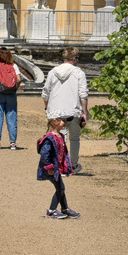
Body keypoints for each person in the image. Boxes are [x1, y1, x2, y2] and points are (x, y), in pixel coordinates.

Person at [42, 46, 89, 174]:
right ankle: (72, 165)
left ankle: (58, 165)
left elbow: (45, 93)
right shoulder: (79, 73)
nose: (78, 61)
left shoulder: (53, 72)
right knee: (74, 138)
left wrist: (48, 107)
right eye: (77, 58)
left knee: (58, 138)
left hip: (55, 110)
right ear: (73, 59)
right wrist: (84, 112)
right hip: (73, 110)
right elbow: (83, 94)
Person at [36, 117, 78, 219]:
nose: (66, 123)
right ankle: (51, 211)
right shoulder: (50, 138)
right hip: (50, 169)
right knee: (60, 188)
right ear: (55, 122)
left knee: (60, 187)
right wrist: (50, 167)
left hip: (57, 168)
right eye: (63, 120)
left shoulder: (60, 136)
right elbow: (44, 154)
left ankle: (65, 208)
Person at [0, 46, 24, 150]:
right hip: (11, 94)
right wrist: (15, 89)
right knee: (12, 117)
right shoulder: (14, 66)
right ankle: (13, 143)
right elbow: (19, 79)